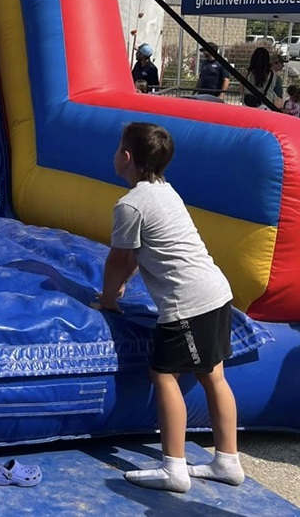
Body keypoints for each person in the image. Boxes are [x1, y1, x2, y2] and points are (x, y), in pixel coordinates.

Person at [94, 122, 242, 494]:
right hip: (216, 291)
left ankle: (173, 467)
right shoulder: (164, 191)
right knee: (214, 377)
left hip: (188, 303)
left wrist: (109, 299)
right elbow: (134, 257)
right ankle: (228, 461)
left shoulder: (130, 204)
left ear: (125, 157)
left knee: (163, 376)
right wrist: (125, 280)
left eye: (118, 147)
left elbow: (118, 260)